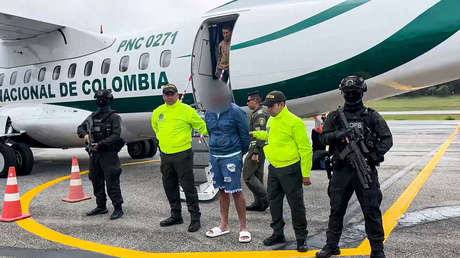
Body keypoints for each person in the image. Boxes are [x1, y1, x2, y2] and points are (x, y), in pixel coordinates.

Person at [316, 76, 393, 258]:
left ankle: (377, 249)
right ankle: (331, 245)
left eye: (354, 92)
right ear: (343, 93)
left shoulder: (371, 116)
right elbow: (323, 138)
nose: (351, 95)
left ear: (361, 92)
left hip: (364, 169)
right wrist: (338, 135)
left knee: (371, 210)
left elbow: (387, 139)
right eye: (348, 92)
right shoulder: (335, 116)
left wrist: (372, 156)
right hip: (342, 170)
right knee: (336, 209)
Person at [252, 91, 313, 252]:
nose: (269, 109)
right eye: (267, 106)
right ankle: (278, 233)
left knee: (296, 205)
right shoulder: (271, 120)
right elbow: (270, 136)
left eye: (271, 106)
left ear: (282, 104)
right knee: (274, 202)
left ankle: (301, 238)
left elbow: (305, 149)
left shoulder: (294, 122)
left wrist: (305, 173)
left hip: (290, 169)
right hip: (274, 169)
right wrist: (254, 134)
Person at [151, 84, 208, 233]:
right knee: (169, 186)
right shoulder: (158, 112)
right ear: (163, 96)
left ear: (177, 95)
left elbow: (202, 127)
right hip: (166, 156)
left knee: (188, 188)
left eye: (172, 93)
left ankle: (195, 218)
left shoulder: (187, 110)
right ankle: (176, 215)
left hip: (183, 155)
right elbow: (156, 128)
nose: (169, 96)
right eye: (166, 94)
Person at [204, 88, 251, 243]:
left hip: (231, 156)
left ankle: (243, 228)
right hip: (215, 156)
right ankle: (224, 225)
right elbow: (211, 132)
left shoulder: (236, 112)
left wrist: (238, 154)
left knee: (236, 190)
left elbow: (245, 136)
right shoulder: (209, 112)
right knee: (222, 190)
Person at [77, 89, 125, 220]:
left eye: (102, 99)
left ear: (108, 100)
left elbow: (116, 135)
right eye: (98, 99)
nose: (100, 101)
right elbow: (80, 128)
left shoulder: (114, 117)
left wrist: (101, 144)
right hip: (95, 155)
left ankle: (118, 207)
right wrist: (85, 135)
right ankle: (101, 206)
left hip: (108, 154)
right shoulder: (93, 116)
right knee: (95, 179)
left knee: (112, 180)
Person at [243, 91, 269, 211]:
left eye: (248, 101)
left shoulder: (259, 114)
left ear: (255, 101)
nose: (247, 103)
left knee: (248, 175)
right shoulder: (258, 113)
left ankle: (268, 198)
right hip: (258, 148)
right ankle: (259, 203)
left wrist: (255, 152)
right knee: (257, 176)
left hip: (256, 148)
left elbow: (260, 135)